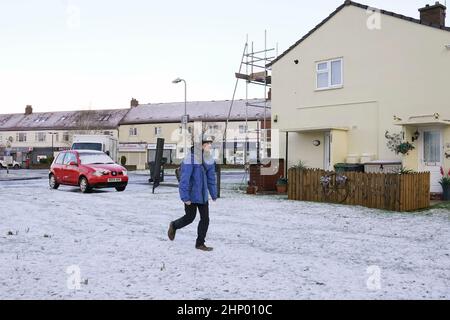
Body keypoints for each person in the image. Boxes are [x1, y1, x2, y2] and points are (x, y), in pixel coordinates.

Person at [168, 137, 217, 251]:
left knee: (205, 219)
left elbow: (211, 179)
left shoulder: (209, 159)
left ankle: (200, 243)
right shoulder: (190, 159)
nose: (209, 146)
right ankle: (174, 225)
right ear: (201, 146)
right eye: (207, 144)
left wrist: (213, 194)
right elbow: (184, 179)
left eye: (210, 144)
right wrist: (185, 197)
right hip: (191, 195)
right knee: (190, 217)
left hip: (203, 195)